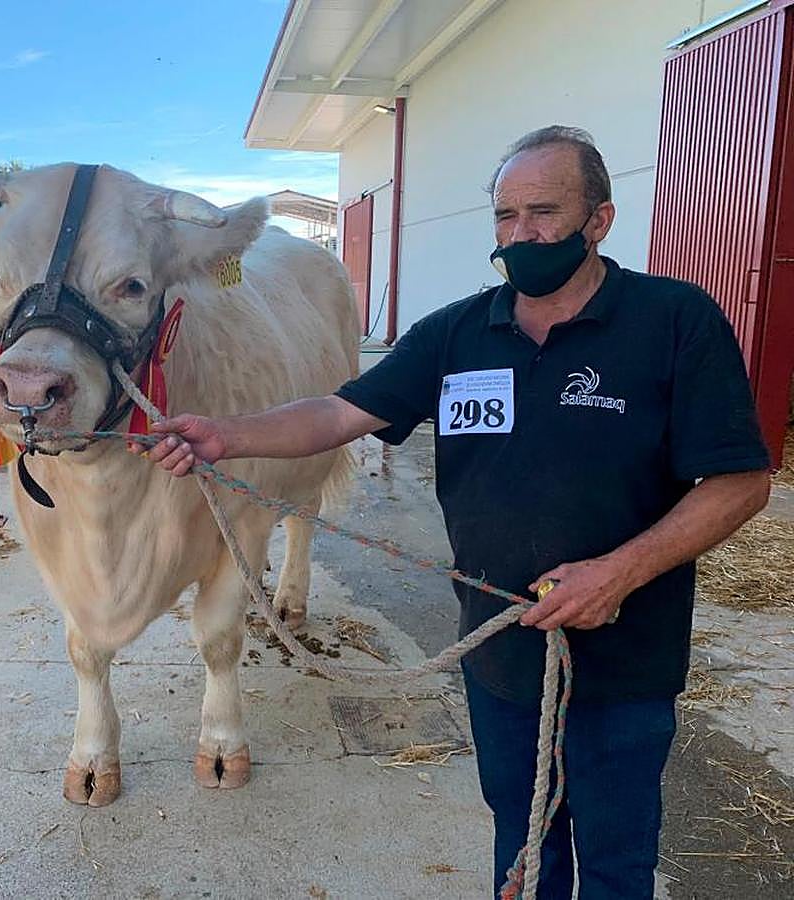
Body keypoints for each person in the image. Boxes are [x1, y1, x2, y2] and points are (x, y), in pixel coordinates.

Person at [136, 126, 772, 899]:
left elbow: (740, 482)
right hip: (499, 645)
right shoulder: (461, 332)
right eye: (506, 215)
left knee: (615, 851)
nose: (520, 234)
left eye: (543, 212)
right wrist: (226, 435)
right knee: (522, 836)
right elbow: (339, 415)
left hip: (623, 652)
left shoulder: (674, 322)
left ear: (599, 221)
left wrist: (617, 573)